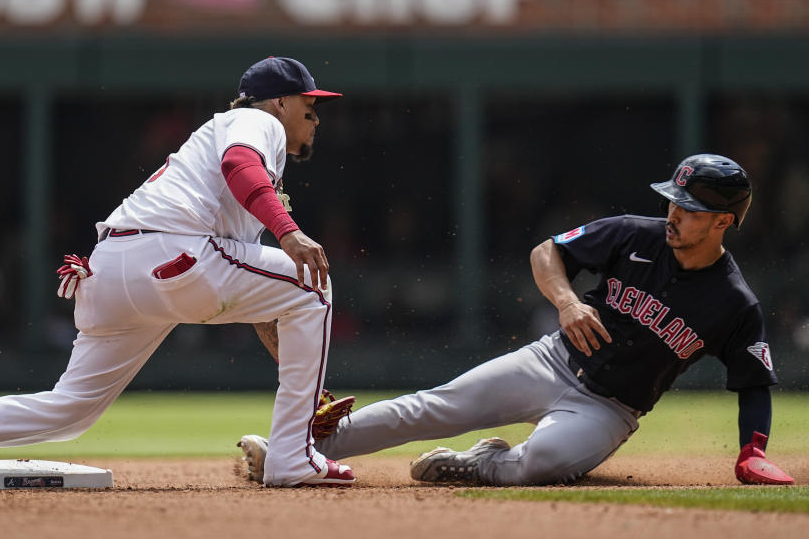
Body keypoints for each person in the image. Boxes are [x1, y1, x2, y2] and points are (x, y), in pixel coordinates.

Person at [0, 56, 356, 490]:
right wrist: (289, 233)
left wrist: (303, 388)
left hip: (113, 269)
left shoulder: (231, 167)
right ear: (278, 103)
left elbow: (256, 299)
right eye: (307, 104)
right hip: (174, 253)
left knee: (69, 410)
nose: (315, 117)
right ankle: (291, 457)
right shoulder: (255, 122)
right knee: (314, 280)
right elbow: (239, 163)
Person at [238, 154, 794, 486]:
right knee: (434, 405)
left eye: (689, 208)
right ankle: (299, 454)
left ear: (723, 220)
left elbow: (754, 383)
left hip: (610, 407)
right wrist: (568, 302)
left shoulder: (733, 302)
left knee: (544, 462)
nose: (673, 213)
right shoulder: (635, 232)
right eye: (673, 200)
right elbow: (545, 254)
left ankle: (483, 465)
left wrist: (753, 451)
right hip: (552, 360)